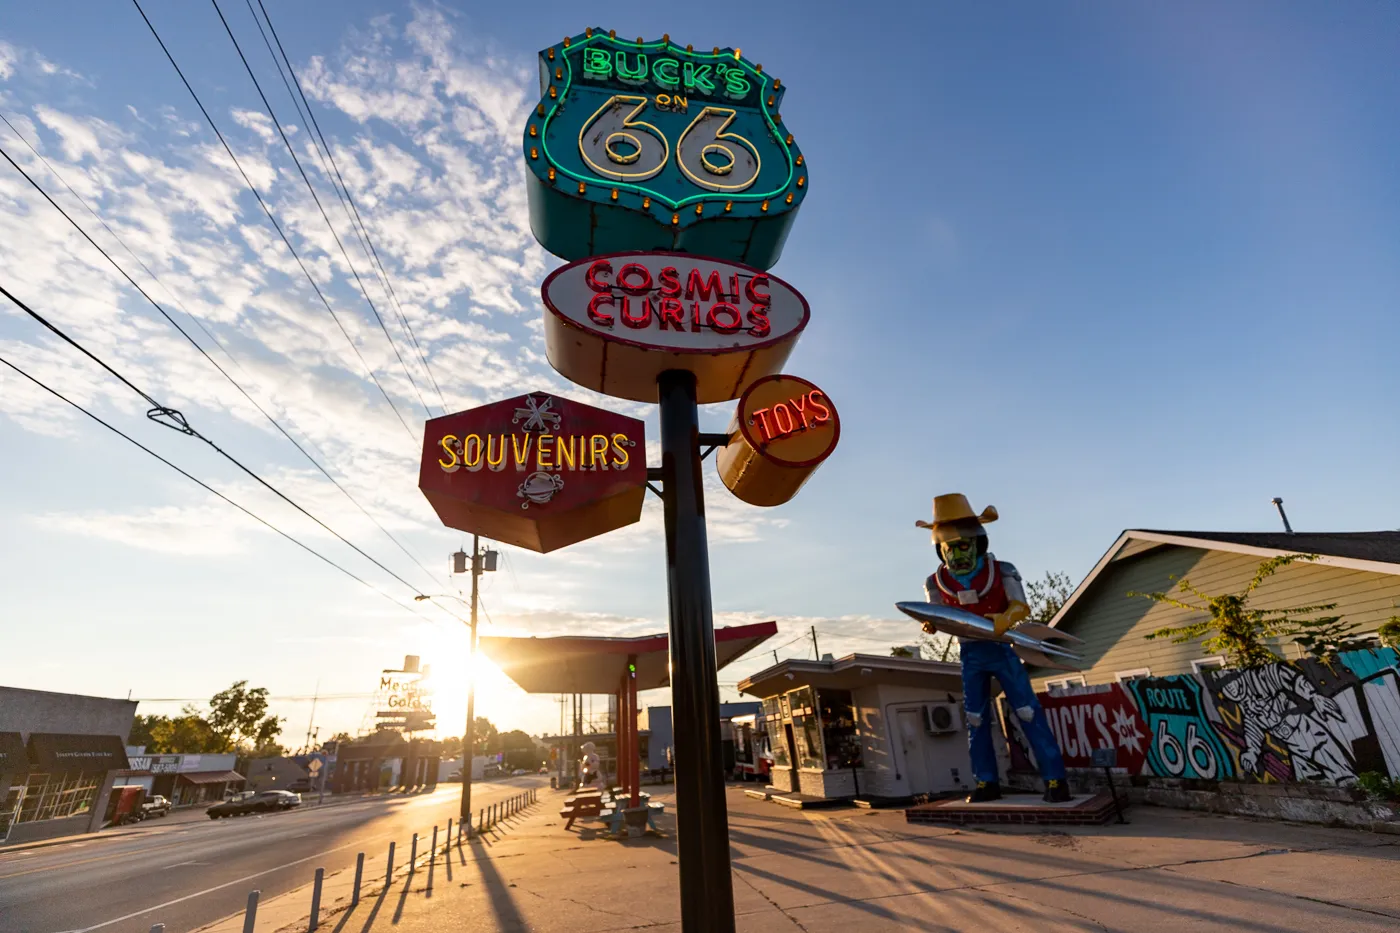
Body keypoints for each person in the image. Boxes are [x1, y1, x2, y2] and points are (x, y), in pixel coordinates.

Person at [917, 493, 1070, 803]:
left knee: (1027, 713)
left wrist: (1006, 618)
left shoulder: (1001, 571)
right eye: (949, 548)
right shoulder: (936, 583)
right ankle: (986, 781)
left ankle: (1055, 778)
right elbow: (939, 615)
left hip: (1001, 649)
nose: (957, 555)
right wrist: (932, 624)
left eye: (963, 546)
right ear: (939, 549)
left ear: (977, 542)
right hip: (970, 654)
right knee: (974, 718)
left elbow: (1020, 605)